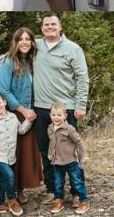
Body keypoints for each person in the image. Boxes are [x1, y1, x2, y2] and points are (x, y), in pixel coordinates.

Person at [33, 12, 90, 205]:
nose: (49, 27)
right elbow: (17, 51)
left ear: (60, 27)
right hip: (41, 109)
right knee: (46, 151)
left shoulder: (73, 49)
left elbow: (82, 77)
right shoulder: (36, 46)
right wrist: (1, 60)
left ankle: (76, 192)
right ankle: (52, 191)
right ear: (42, 28)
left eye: (53, 24)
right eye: (46, 24)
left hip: (65, 109)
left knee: (71, 152)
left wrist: (81, 105)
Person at [0, 27, 44, 204]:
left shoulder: (29, 60)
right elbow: (4, 91)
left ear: (32, 42)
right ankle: (9, 193)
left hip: (30, 113)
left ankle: (20, 189)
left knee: (24, 155)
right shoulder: (7, 62)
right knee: (11, 154)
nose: (24, 42)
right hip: (14, 114)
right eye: (20, 39)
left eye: (28, 39)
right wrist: (23, 111)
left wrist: (30, 112)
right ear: (15, 42)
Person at [47, 102, 91, 214]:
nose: (56, 117)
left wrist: (84, 155)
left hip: (71, 161)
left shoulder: (69, 129)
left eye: (59, 115)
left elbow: (79, 142)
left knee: (77, 181)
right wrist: (50, 154)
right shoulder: (50, 129)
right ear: (50, 115)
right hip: (57, 162)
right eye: (53, 115)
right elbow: (52, 143)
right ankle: (58, 200)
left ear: (65, 116)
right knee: (58, 182)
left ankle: (84, 201)